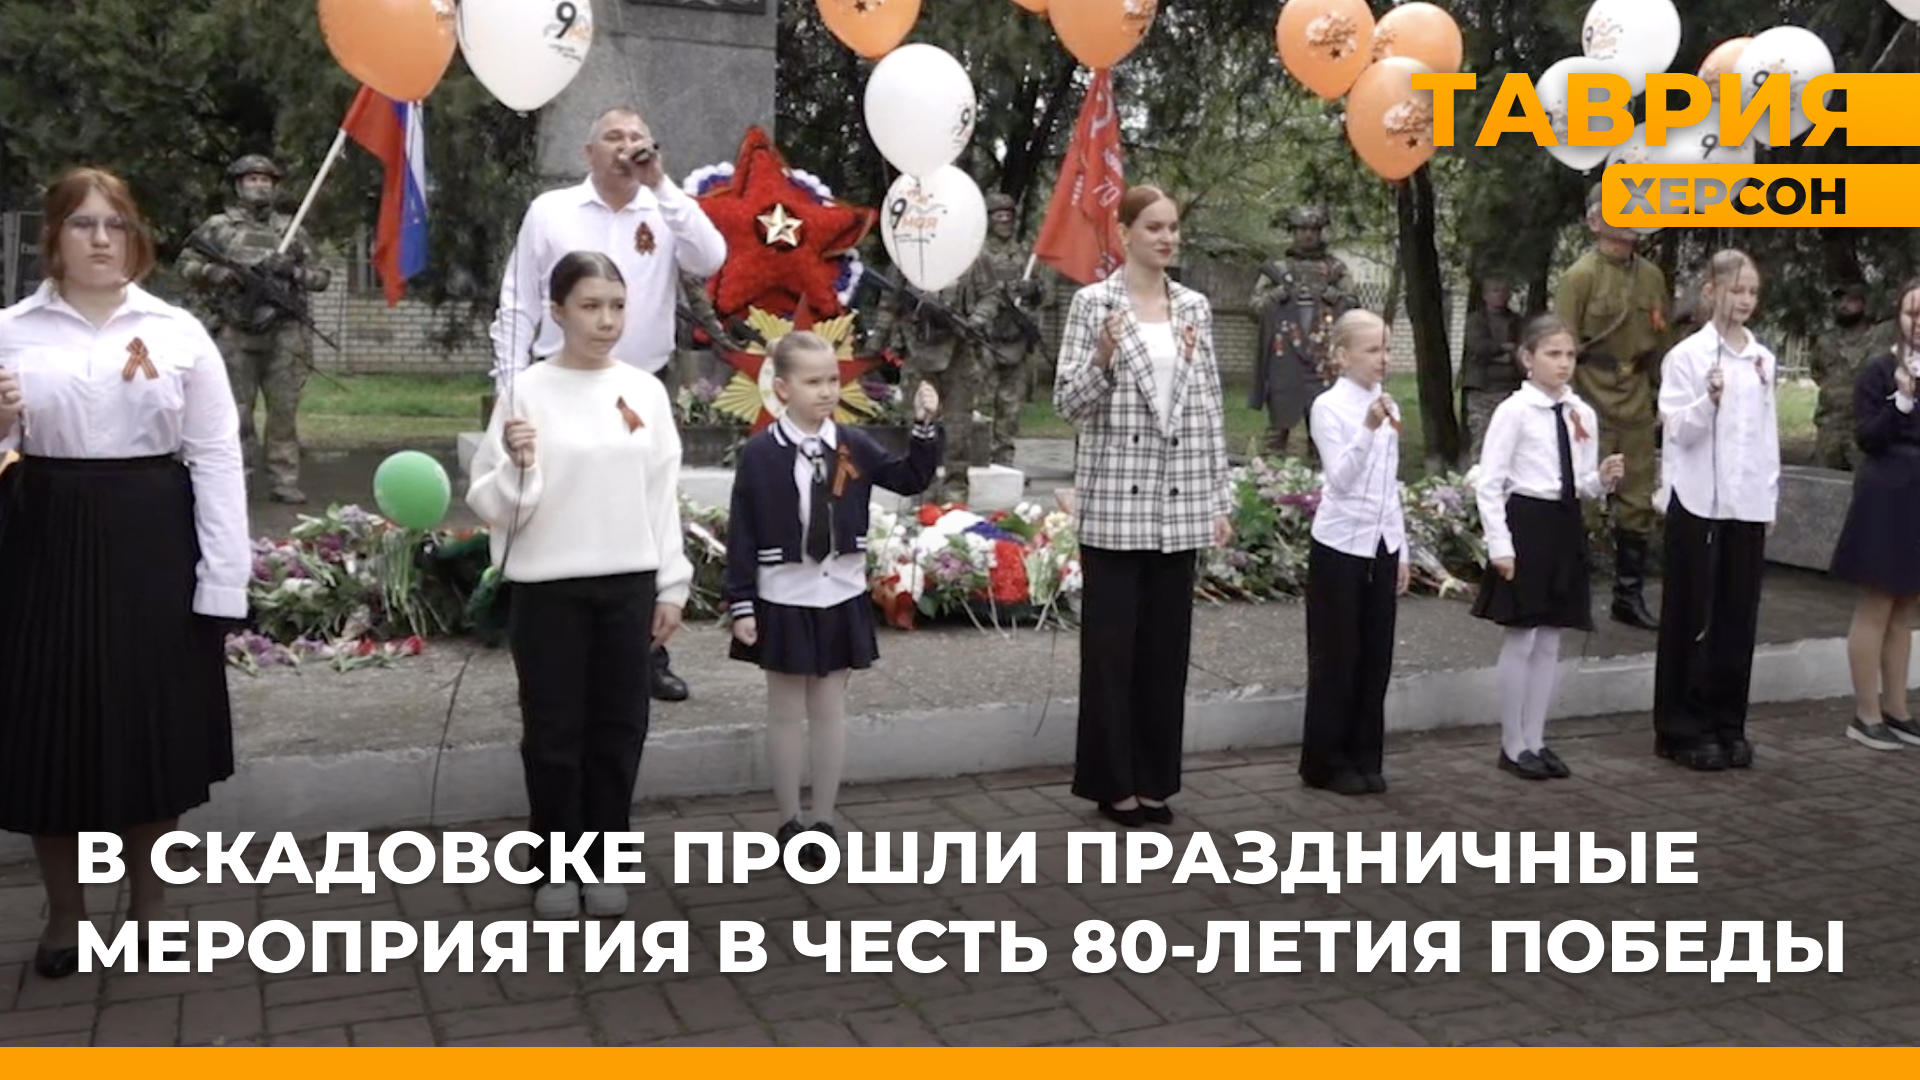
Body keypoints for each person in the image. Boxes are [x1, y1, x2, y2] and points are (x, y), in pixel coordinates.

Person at [0, 167, 248, 978]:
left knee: (151, 729)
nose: (101, 239)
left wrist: (223, 579)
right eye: (82, 224)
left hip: (152, 544)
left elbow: (215, 457)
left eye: (115, 223)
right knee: (49, 731)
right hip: (43, 544)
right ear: (54, 237)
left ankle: (150, 906)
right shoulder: (10, 332)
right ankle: (66, 914)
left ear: (135, 236)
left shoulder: (178, 332)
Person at [466, 251, 693, 919]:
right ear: (557, 312)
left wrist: (671, 585)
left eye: (617, 306)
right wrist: (520, 467)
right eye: (590, 306)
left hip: (628, 584)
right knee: (554, 731)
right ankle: (555, 866)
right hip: (548, 589)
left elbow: (661, 494)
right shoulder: (527, 392)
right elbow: (493, 503)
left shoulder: (644, 391)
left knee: (620, 729)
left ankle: (607, 861)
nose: (606, 320)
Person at [490, 106, 726, 703]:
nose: (626, 146)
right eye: (614, 137)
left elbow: (711, 257)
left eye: (637, 137)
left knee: (643, 509)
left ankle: (647, 652)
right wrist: (510, 391)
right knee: (559, 505)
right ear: (588, 152)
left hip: (638, 384)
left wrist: (662, 186)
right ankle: (552, 644)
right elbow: (518, 301)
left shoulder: (664, 207)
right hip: (558, 382)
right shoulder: (553, 210)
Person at [725, 331, 943, 869]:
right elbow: (742, 532)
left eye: (832, 380)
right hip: (784, 595)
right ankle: (788, 818)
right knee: (785, 711)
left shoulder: (853, 444)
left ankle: (824, 818)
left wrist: (924, 426)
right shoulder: (759, 454)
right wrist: (742, 602)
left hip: (839, 592)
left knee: (828, 710)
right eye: (812, 381)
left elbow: (909, 477)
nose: (826, 391)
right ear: (782, 388)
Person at [1054, 185, 1233, 828]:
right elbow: (1067, 404)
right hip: (1114, 505)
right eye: (1154, 227)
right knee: (1111, 654)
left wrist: (1218, 497)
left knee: (1165, 652)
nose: (1167, 238)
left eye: (1173, 227)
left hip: (1177, 505)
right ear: (1124, 232)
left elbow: (1209, 406)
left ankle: (1155, 779)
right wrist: (1103, 357)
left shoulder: (1194, 307)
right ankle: (1113, 783)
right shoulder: (1092, 304)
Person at [1472, 315, 1626, 780]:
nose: (1563, 364)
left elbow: (1580, 483)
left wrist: (1602, 479)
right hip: (1527, 523)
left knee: (1551, 637)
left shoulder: (1580, 413)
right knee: (1523, 635)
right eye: (1553, 354)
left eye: (1570, 355)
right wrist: (1500, 545)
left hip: (1564, 524)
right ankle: (1512, 743)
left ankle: (1536, 738)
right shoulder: (1515, 411)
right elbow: (1490, 482)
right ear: (1528, 358)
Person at [1652, 249, 1778, 772]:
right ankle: (1682, 727)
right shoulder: (1687, 357)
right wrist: (1708, 401)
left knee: (1735, 616)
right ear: (1712, 291)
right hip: (1698, 499)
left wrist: (1768, 495)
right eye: (1736, 290)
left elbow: (1766, 433)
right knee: (1693, 615)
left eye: (1752, 292)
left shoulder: (1761, 358)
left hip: (1744, 502)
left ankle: (1729, 722)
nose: (1745, 301)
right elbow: (1676, 430)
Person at [177, 154, 330, 504]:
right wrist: (216, 273)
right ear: (238, 186)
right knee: (237, 412)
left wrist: (293, 272)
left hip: (284, 333)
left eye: (265, 180)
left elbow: (322, 277)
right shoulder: (218, 228)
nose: (259, 186)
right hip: (236, 331)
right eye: (252, 179)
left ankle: (284, 480)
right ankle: (238, 477)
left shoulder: (291, 230)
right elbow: (186, 264)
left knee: (283, 412)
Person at [1300, 310, 1409, 796]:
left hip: (1379, 544)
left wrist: (1400, 548)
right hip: (1341, 545)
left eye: (1387, 348)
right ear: (1343, 356)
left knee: (1374, 655)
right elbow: (1341, 480)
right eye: (1372, 349)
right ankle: (1325, 760)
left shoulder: (1390, 404)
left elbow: (1389, 485)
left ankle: (1366, 753)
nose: (1382, 359)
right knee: (1337, 655)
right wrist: (1367, 429)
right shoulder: (1328, 407)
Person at [1554, 183, 1668, 632]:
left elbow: (1660, 342)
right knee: (1583, 495)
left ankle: (1628, 596)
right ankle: (1571, 594)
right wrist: (1566, 406)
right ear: (1594, 221)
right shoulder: (1579, 277)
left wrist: (1661, 397)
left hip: (1636, 395)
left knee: (1637, 498)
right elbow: (1562, 346)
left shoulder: (1652, 277)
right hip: (1590, 397)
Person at [1827, 279, 1920, 751]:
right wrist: (1900, 401)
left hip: (1918, 495)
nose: (1919, 324)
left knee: (1906, 606)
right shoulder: (1879, 370)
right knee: (1878, 602)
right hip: (1886, 494)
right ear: (1897, 317)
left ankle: (1898, 709)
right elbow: (1868, 437)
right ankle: (1866, 714)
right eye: (1912, 314)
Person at [1248, 205, 1357, 459]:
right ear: (1293, 232)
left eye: (1313, 229)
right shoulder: (1277, 269)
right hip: (1284, 360)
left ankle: (1322, 479)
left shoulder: (1335, 270)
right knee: (1277, 431)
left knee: (1322, 432)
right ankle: (1270, 478)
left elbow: (1354, 309)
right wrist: (1275, 296)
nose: (1308, 235)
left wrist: (1336, 298)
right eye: (1302, 229)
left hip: (1322, 361)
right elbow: (1254, 308)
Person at [967, 192, 1051, 464]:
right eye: (998, 216)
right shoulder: (976, 253)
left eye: (1009, 216)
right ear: (989, 220)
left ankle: (1004, 460)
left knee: (1010, 406)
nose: (1004, 221)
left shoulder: (1026, 255)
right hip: (986, 338)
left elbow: (1045, 295)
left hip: (1016, 341)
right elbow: (969, 295)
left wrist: (1033, 289)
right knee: (982, 402)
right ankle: (980, 458)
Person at [1810, 283, 1897, 472]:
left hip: (1864, 427)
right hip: (1830, 429)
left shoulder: (1883, 338)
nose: (1843, 305)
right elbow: (1817, 373)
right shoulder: (1825, 342)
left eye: (1851, 300)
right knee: (1822, 483)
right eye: (1840, 300)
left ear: (1865, 305)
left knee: (1864, 482)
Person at [1459, 276, 1523, 459]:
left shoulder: (1517, 321)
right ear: (1485, 295)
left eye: (1504, 290)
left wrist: (1508, 354)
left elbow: (1523, 348)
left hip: (1511, 388)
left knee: (1511, 441)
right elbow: (1478, 348)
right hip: (1483, 388)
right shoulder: (1476, 320)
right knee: (1482, 439)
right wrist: (1503, 348)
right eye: (1495, 290)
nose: (1500, 295)